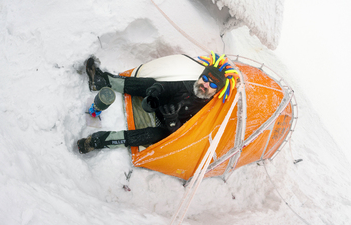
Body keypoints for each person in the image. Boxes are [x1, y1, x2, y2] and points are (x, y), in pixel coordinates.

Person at [77, 52, 239, 154]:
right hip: (162, 106)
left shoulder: (207, 111)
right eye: (205, 78)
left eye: (212, 85)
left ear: (217, 91)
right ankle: (101, 80)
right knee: (149, 83)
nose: (205, 85)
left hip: (169, 128)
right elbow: (168, 86)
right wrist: (155, 91)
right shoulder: (190, 83)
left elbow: (184, 136)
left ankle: (99, 141)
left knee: (151, 136)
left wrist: (172, 119)